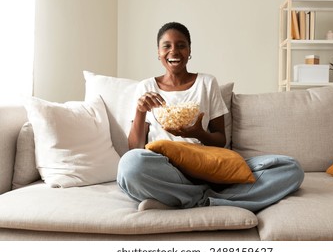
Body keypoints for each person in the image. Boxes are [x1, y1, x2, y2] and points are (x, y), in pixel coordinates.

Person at [117, 22, 304, 212]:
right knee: (129, 166)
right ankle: (208, 199)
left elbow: (220, 141)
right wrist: (140, 111)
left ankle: (185, 199)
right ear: (158, 53)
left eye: (181, 45)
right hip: (165, 170)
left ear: (189, 51)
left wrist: (199, 133)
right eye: (167, 46)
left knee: (290, 168)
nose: (174, 51)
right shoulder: (146, 87)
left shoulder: (206, 83)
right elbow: (134, 148)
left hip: (205, 166)